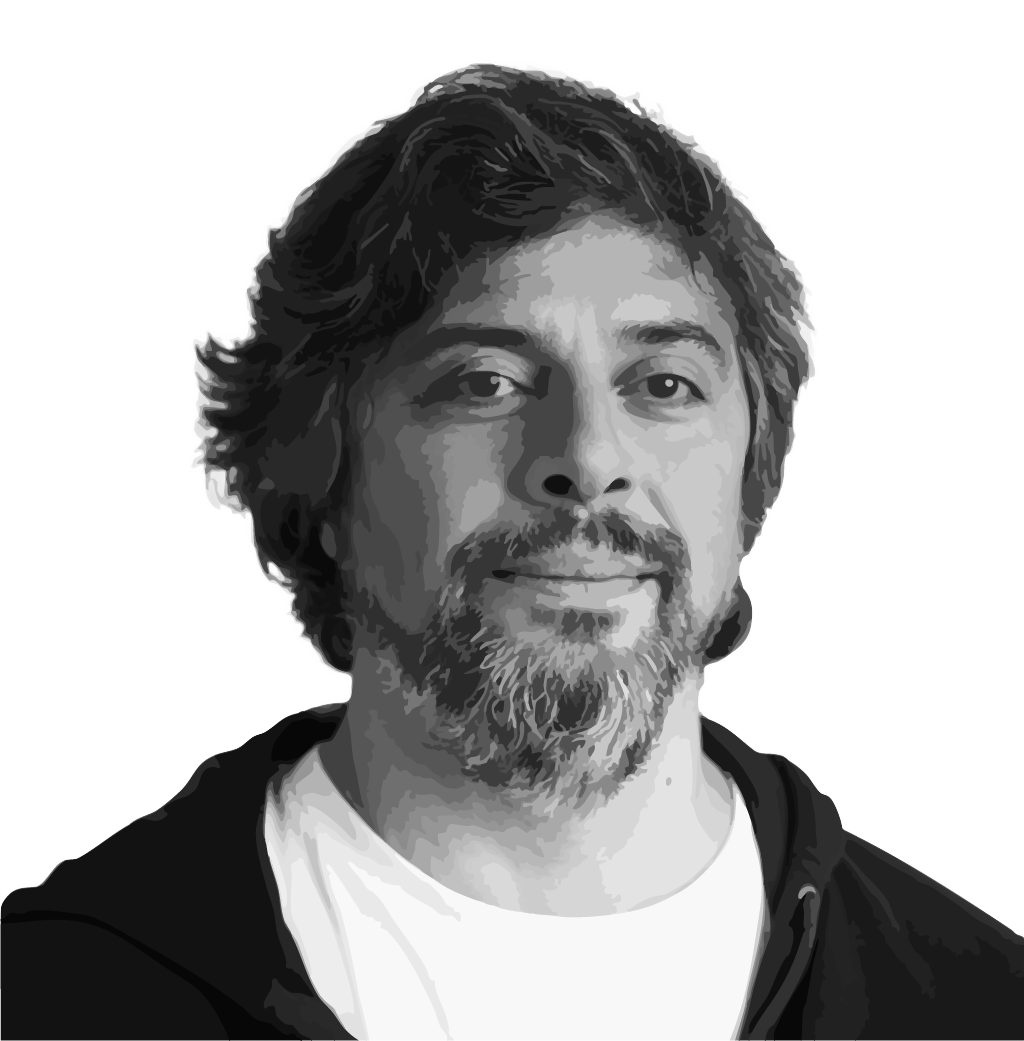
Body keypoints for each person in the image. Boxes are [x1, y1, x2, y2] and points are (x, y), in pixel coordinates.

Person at [3, 63, 1022, 1040]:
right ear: (322, 474)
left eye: (663, 384)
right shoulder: (52, 997)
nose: (587, 460)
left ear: (748, 480)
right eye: (484, 382)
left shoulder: (978, 1005)